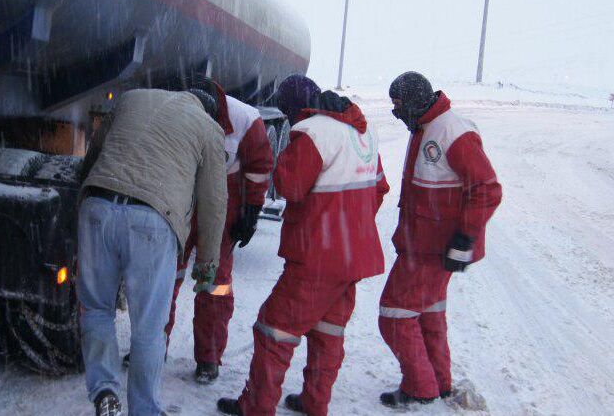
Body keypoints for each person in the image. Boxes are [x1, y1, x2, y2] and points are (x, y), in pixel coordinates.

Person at [218, 74, 390, 416]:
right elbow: (380, 189)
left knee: (274, 330)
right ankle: (315, 402)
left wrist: (286, 157)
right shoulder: (362, 133)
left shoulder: (312, 132)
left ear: (294, 108)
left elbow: (290, 186)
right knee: (328, 333)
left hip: (318, 258)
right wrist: (350, 227)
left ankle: (256, 407)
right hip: (353, 258)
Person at [78, 88, 227, 416]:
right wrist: (206, 264)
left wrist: (82, 197)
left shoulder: (132, 98)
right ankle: (143, 409)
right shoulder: (208, 128)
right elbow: (214, 204)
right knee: (148, 327)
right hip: (153, 219)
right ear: (209, 110)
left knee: (97, 310)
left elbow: (94, 153)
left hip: (97, 205)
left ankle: (105, 392)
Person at [378, 72, 502, 407]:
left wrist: (464, 238)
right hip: (422, 246)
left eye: (399, 105)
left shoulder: (451, 131)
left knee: (395, 315)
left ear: (416, 100)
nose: (396, 112)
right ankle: (439, 381)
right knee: (428, 314)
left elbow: (488, 189)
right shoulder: (426, 126)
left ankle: (421, 388)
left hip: (434, 249)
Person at [162, 77, 274, 385]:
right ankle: (153, 346)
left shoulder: (245, 119)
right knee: (163, 276)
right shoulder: (174, 112)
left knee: (215, 284)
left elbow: (260, 167)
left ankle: (208, 358)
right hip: (180, 202)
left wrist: (251, 211)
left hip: (222, 210)